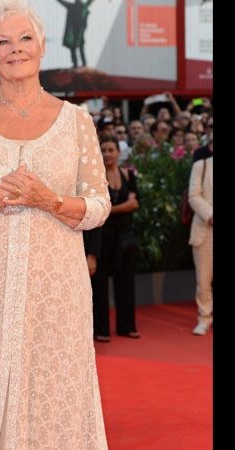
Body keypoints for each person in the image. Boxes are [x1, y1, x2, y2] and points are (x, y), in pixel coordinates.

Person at [0, 1, 111, 447]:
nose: (15, 50)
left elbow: (100, 204)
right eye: (3, 42)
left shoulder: (77, 121)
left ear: (43, 45)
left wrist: (49, 200)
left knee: (55, 389)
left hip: (57, 293)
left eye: (24, 38)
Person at [92, 136, 140, 342]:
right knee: (99, 285)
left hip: (124, 238)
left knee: (126, 283)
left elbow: (135, 204)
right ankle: (101, 330)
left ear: (119, 153)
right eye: (104, 150)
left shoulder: (128, 176)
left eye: (111, 150)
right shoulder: (95, 177)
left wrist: (109, 209)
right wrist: (123, 207)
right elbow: (98, 207)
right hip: (102, 237)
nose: (107, 154)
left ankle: (126, 326)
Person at [188, 150, 213, 335]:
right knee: (203, 279)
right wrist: (210, 215)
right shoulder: (201, 166)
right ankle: (204, 317)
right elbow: (193, 195)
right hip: (205, 229)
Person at [56, 0, 95, 68]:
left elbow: (62, 2)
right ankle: (81, 64)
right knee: (78, 48)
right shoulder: (82, 6)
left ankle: (79, 64)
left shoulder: (72, 6)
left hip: (75, 33)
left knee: (76, 48)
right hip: (77, 32)